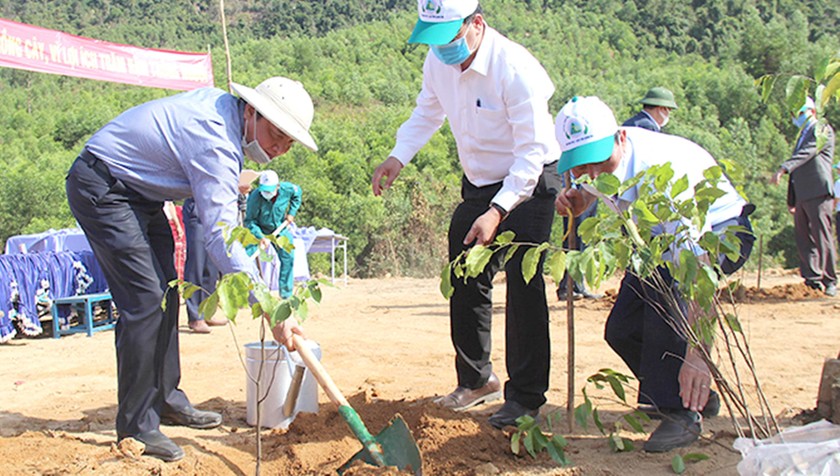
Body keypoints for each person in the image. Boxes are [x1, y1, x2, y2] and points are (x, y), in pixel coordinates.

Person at [65, 76, 317, 462]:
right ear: (251, 111)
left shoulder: (227, 125)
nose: (280, 148)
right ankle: (136, 426)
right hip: (104, 187)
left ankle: (166, 398)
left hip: (142, 197)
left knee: (168, 291)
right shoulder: (215, 137)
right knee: (145, 302)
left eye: (288, 142)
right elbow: (219, 235)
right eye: (275, 134)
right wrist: (267, 303)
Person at [371, 0, 561, 429]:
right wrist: (397, 157)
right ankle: (476, 380)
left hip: (529, 185)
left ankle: (526, 398)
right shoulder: (437, 61)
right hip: (479, 185)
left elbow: (532, 153)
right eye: (434, 41)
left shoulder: (515, 69)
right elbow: (427, 112)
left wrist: (498, 211)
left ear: (476, 24)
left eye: (450, 38)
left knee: (523, 285)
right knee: (464, 272)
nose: (442, 49)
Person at [553, 96, 751, 452]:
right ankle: (694, 398)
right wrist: (581, 200)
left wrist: (697, 357)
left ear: (621, 139)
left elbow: (699, 277)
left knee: (666, 304)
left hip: (721, 232)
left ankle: (681, 414)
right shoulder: (599, 165)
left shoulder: (663, 173)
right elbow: (593, 186)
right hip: (658, 241)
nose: (593, 173)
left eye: (598, 161)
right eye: (581, 166)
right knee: (622, 330)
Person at [770, 97, 837, 296]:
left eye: (799, 113)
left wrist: (783, 168)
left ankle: (829, 280)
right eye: (793, 114)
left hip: (818, 191)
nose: (795, 118)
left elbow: (807, 154)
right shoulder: (802, 135)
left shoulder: (822, 130)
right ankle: (811, 278)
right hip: (802, 194)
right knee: (803, 239)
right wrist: (793, 199)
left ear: (812, 111)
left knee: (821, 236)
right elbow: (800, 167)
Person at [183, 171, 257, 334]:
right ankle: (195, 316)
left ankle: (207, 311)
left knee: (212, 266)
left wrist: (238, 191)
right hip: (198, 210)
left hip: (216, 215)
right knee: (197, 263)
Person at [244, 170, 302, 299]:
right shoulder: (255, 197)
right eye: (264, 190)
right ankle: (249, 294)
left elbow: (297, 194)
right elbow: (249, 221)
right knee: (247, 258)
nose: (267, 193)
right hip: (259, 229)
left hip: (279, 228)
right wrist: (260, 237)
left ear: (277, 186)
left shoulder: (287, 189)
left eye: (270, 190)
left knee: (288, 256)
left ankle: (286, 295)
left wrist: (291, 213)